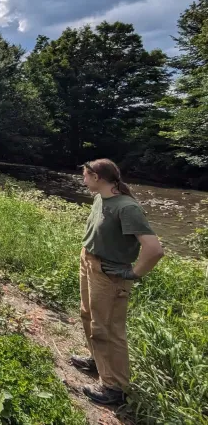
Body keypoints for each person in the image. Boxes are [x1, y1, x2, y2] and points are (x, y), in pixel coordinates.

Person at [71, 159, 164, 405]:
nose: (83, 180)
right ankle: (98, 362)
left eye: (86, 176)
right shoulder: (100, 198)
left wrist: (133, 273)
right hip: (89, 262)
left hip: (110, 275)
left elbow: (154, 250)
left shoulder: (127, 207)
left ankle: (115, 388)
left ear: (98, 177)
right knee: (88, 314)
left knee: (108, 329)